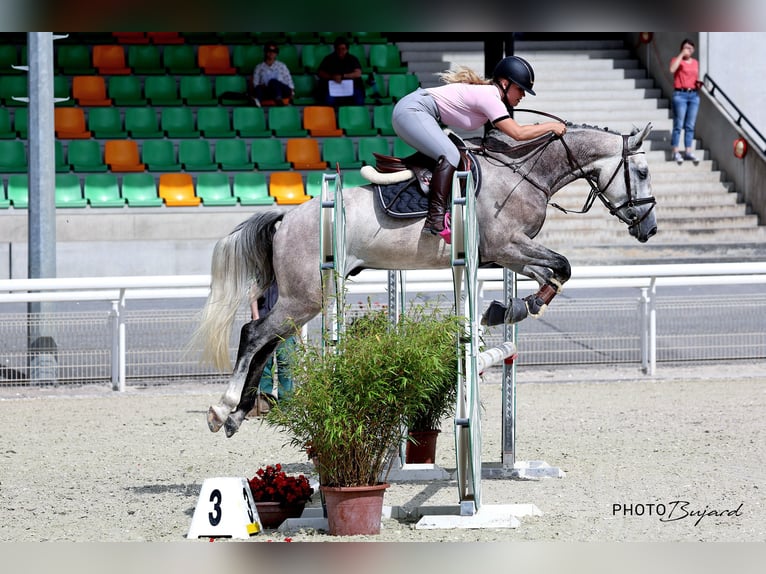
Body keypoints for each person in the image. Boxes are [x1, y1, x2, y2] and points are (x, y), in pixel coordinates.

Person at [392, 55, 567, 236]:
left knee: (455, 152)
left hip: (417, 111)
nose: (523, 95)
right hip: (412, 110)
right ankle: (434, 218)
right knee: (451, 155)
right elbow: (518, 133)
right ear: (505, 83)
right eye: (520, 89)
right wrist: (551, 126)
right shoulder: (490, 97)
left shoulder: (490, 95)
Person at [249, 281, 296, 414]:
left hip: (285, 323)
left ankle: (286, 404)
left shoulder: (288, 269)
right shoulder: (261, 270)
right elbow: (252, 292)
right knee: (264, 365)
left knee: (286, 363)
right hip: (264, 321)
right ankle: (264, 402)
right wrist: (256, 317)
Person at [669, 38, 702, 165]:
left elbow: (695, 77)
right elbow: (672, 69)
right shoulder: (676, 60)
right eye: (686, 47)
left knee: (690, 125)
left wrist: (699, 83)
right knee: (678, 124)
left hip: (693, 95)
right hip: (680, 94)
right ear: (682, 48)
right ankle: (676, 151)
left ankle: (688, 151)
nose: (688, 50)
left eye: (690, 48)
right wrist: (681, 55)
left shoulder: (695, 62)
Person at [316, 36, 365, 106]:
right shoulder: (328, 59)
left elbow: (358, 73)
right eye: (338, 49)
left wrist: (342, 76)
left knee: (359, 100)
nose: (340, 51)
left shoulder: (352, 59)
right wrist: (332, 77)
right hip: (333, 88)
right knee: (328, 100)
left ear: (347, 49)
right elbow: (320, 73)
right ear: (335, 49)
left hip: (351, 88)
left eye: (343, 49)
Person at [250, 43, 294, 107]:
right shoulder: (259, 67)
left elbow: (289, 81)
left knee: (273, 82)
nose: (271, 53)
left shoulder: (282, 66)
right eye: (269, 50)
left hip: (282, 91)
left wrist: (292, 94)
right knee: (259, 88)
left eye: (274, 51)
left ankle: (278, 99)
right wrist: (262, 86)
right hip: (268, 91)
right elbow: (255, 84)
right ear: (266, 52)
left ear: (276, 53)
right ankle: (257, 102)